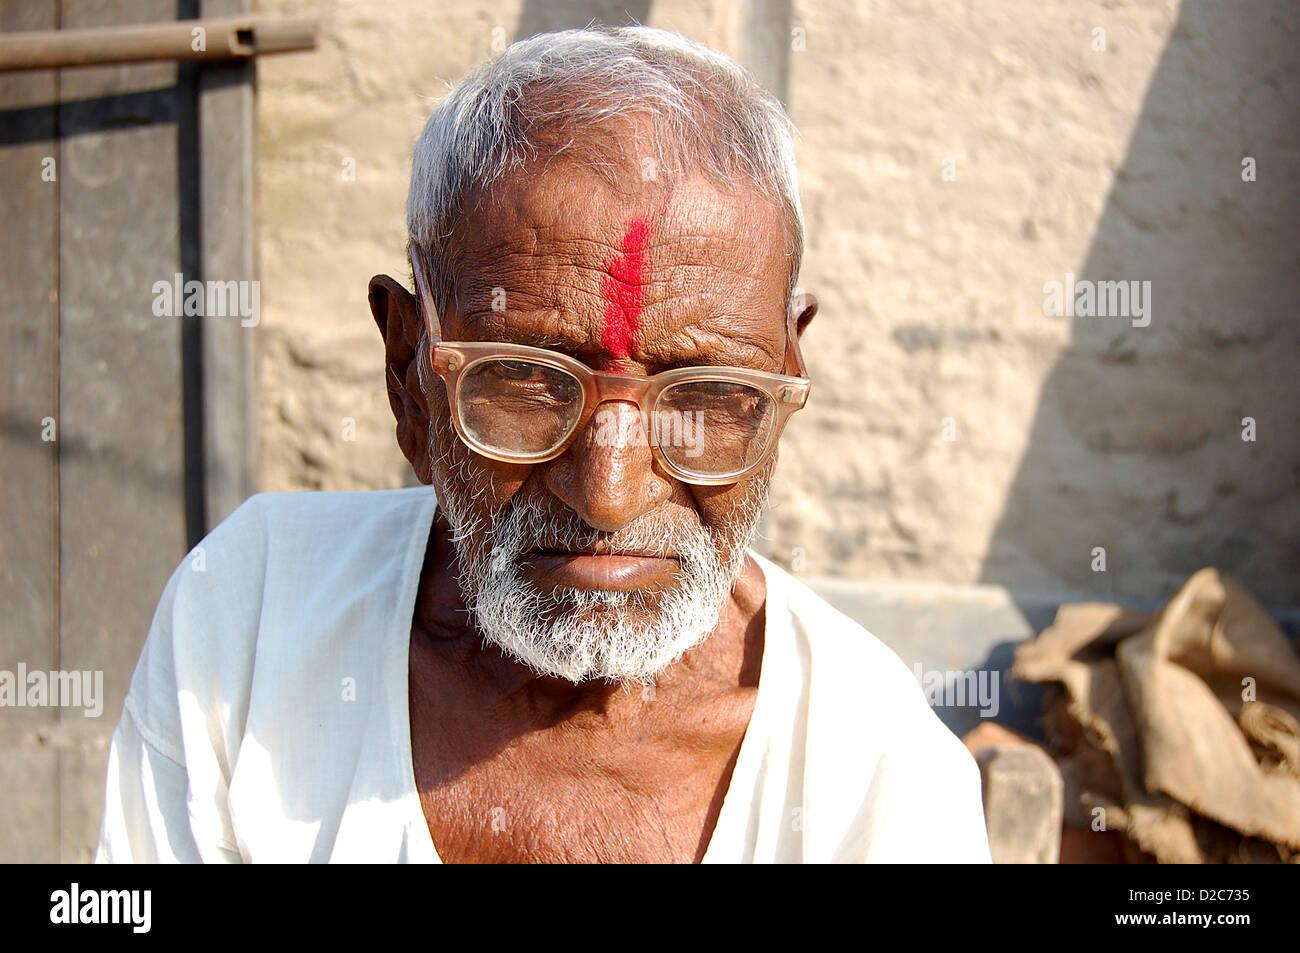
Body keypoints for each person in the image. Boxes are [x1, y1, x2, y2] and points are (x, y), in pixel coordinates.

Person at [96, 24, 990, 864]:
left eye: (705, 392)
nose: (608, 490)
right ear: (409, 370)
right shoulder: (251, 623)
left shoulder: (875, 776)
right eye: (528, 380)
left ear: (785, 379)